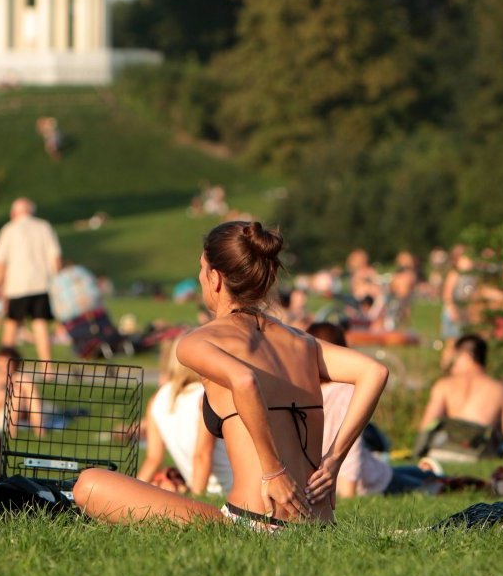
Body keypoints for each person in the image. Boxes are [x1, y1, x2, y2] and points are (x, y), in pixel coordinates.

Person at [74, 221, 389, 529]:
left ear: (215, 278)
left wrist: (273, 471)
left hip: (256, 520)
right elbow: (374, 372)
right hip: (319, 523)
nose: (200, 278)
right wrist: (333, 462)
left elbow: (244, 381)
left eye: (201, 269)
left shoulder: (198, 341)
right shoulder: (303, 342)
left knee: (88, 483)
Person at [308, 323, 503, 498]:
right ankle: (494, 486)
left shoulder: (303, 391)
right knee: (434, 484)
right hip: (370, 482)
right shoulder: (345, 390)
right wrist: (348, 490)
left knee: (419, 473)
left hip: (370, 471)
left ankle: (455, 477)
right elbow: (352, 449)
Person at [136, 335, 233, 496]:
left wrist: (134, 491)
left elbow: (153, 459)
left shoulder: (157, 399)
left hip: (199, 483)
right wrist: (196, 498)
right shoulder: (205, 398)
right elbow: (202, 454)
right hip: (224, 488)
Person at [415, 334, 503, 457]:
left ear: (466, 356)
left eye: (455, 357)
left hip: (444, 449)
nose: (453, 364)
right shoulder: (501, 390)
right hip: (479, 453)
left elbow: (427, 427)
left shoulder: (443, 385)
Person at [0, 197, 62, 363]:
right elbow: (55, 258)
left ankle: (5, 365)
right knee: (40, 325)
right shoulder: (44, 227)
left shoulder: (9, 229)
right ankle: (47, 368)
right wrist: (58, 281)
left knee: (11, 327)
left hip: (17, 286)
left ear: (14, 213)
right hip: (42, 285)